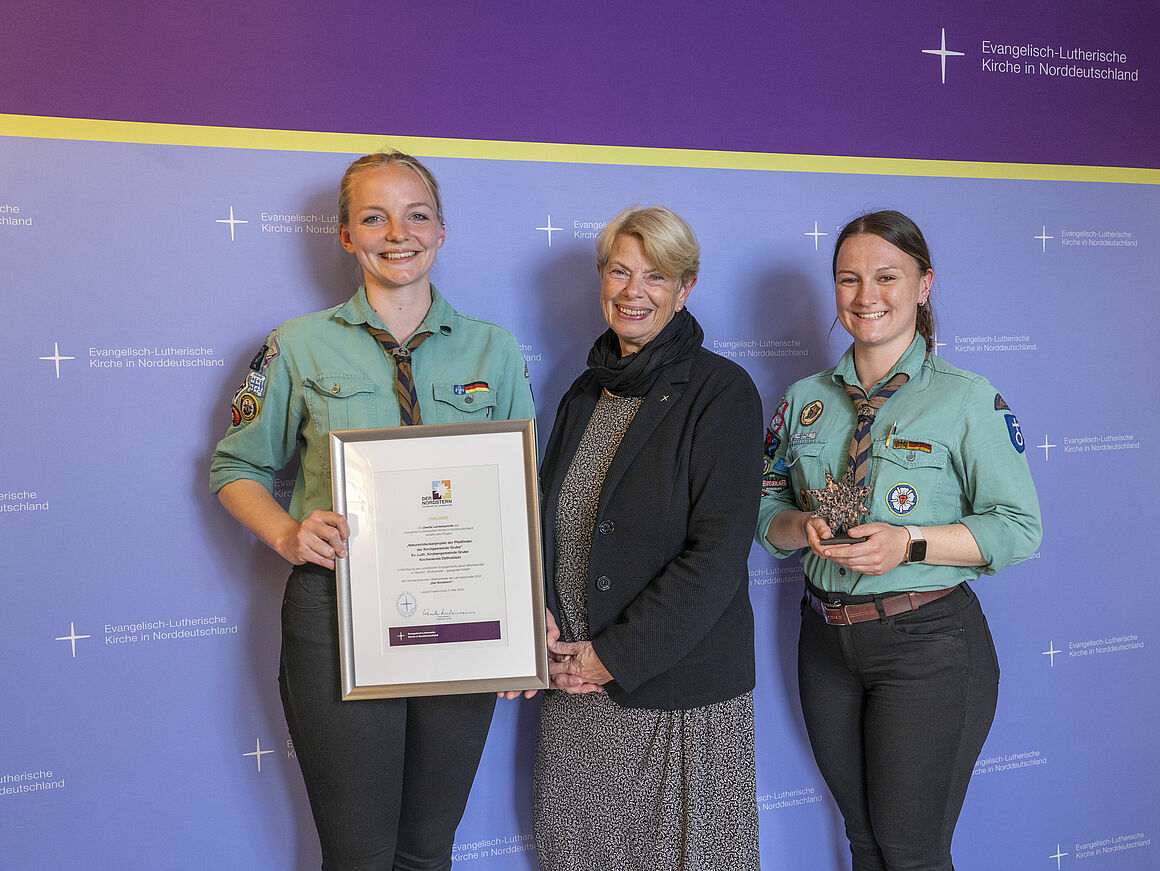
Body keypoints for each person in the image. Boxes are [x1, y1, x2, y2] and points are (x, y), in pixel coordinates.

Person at [209, 151, 535, 871]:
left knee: (427, 851)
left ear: (442, 231)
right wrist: (289, 532)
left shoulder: (495, 349)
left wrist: (525, 613)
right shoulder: (294, 345)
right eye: (374, 216)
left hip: (464, 618)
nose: (399, 232)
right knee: (359, 854)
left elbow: (520, 495)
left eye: (417, 214)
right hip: (337, 613)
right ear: (345, 235)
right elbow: (235, 467)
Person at [756, 210, 1042, 871]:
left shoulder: (968, 400)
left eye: (887, 277)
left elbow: (1018, 526)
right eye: (849, 279)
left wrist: (909, 542)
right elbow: (766, 505)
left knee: (911, 853)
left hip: (928, 648)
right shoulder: (804, 400)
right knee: (865, 844)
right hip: (826, 643)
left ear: (924, 284)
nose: (866, 297)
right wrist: (802, 527)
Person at [532, 205, 764, 871]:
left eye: (656, 276)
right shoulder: (582, 393)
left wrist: (614, 654)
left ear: (686, 288)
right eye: (620, 271)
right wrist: (540, 620)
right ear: (601, 278)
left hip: (675, 692)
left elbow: (716, 557)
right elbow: (551, 528)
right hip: (574, 688)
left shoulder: (721, 393)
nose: (634, 290)